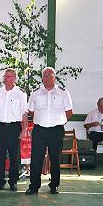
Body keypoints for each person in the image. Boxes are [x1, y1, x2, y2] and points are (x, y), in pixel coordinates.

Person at [26, 67, 73, 195]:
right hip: (39, 130)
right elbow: (30, 110)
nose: (47, 78)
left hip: (56, 130)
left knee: (55, 158)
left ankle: (54, 185)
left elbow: (69, 112)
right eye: (45, 75)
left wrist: (58, 121)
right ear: (42, 77)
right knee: (36, 159)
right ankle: (34, 186)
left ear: (54, 77)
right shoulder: (35, 92)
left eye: (49, 75)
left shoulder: (63, 93)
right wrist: (41, 119)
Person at [0, 68, 28, 191]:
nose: (6, 78)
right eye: (5, 76)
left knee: (13, 156)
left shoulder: (20, 93)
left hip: (14, 127)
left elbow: (24, 113)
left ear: (14, 78)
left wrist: (24, 129)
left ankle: (13, 181)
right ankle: (0, 181)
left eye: (9, 76)